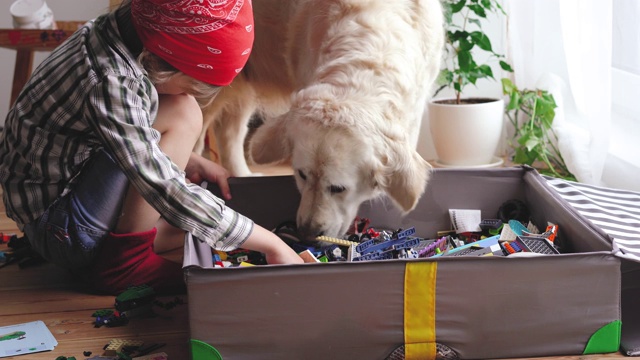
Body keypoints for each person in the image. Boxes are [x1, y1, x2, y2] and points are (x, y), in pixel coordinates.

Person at [0, 0, 303, 295]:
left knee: (195, 229)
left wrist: (192, 159)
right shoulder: (112, 80)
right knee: (183, 113)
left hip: (61, 196)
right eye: (189, 86)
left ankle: (121, 245)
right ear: (161, 65)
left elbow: (112, 134)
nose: (189, 94)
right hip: (61, 229)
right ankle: (124, 262)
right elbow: (163, 186)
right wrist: (271, 244)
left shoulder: (118, 31)